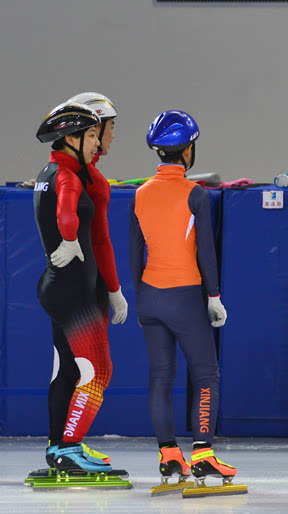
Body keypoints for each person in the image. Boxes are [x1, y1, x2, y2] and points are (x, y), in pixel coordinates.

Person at [130, 110, 240, 492]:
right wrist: (214, 296)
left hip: (150, 296)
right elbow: (205, 252)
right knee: (205, 373)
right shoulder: (196, 195)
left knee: (161, 376)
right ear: (188, 151)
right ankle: (203, 455)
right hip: (186, 296)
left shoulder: (140, 194)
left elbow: (134, 253)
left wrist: (141, 295)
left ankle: (168, 456)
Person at [33, 102, 115, 473]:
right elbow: (66, 210)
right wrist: (68, 239)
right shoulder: (66, 174)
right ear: (71, 137)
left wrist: (111, 289)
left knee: (68, 370)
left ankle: (61, 446)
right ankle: (67, 447)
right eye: (93, 135)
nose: (97, 142)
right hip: (72, 291)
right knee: (96, 372)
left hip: (63, 286)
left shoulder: (50, 170)